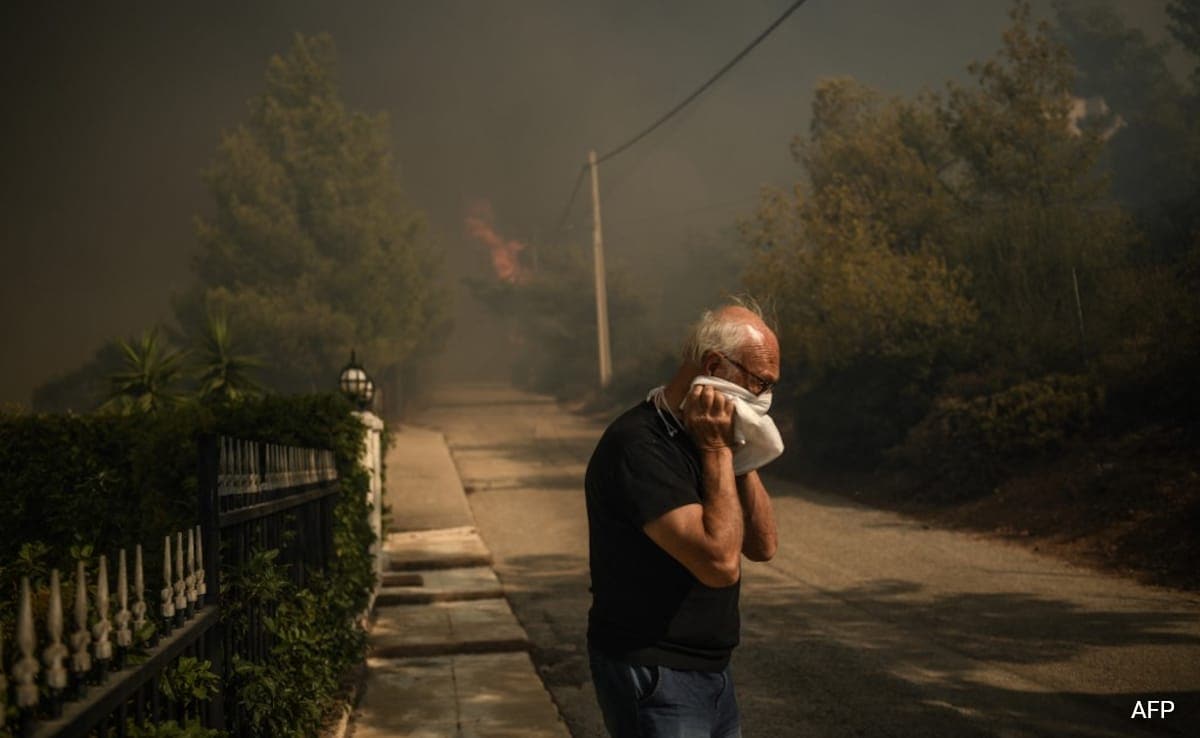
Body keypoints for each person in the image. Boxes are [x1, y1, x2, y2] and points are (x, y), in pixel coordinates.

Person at [585, 302, 782, 738]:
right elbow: (719, 565)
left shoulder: (711, 436)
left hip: (712, 673)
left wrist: (741, 451)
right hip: (655, 671)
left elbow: (763, 545)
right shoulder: (639, 446)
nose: (765, 400)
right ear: (714, 366)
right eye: (759, 383)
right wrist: (716, 451)